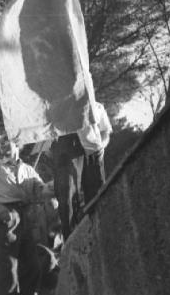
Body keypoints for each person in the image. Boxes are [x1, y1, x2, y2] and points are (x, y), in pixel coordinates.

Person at [0, 135, 54, 295]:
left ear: (18, 144)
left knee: (32, 266)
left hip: (26, 217)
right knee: (7, 269)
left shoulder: (29, 170)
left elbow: (40, 190)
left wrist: (52, 188)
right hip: (4, 217)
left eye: (6, 142)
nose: (2, 145)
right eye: (0, 143)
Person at [52, 101, 112, 239]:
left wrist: (101, 145)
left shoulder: (98, 107)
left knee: (96, 195)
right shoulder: (59, 103)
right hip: (68, 151)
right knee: (67, 201)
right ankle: (70, 243)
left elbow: (105, 132)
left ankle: (99, 238)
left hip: (93, 152)